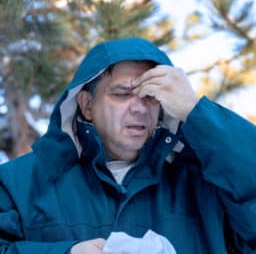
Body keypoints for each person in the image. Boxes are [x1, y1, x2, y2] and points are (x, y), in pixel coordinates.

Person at [0, 37, 256, 254]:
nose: (139, 107)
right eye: (121, 95)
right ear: (87, 105)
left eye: (151, 96)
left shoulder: (205, 185)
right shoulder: (19, 182)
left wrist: (195, 111)